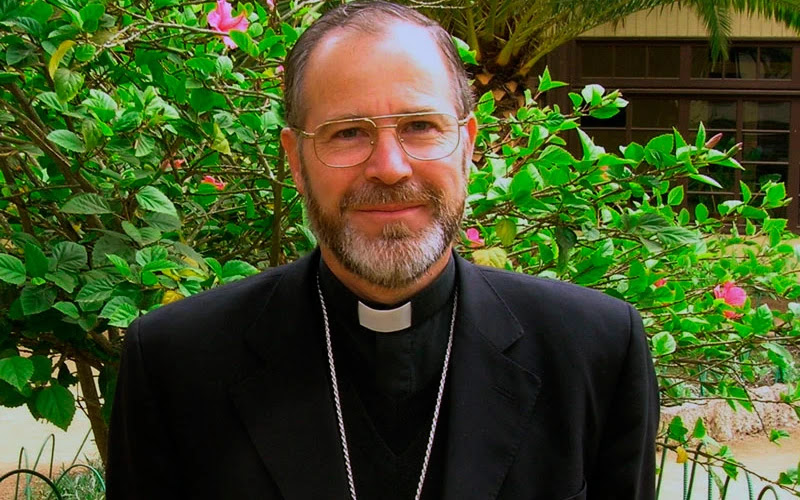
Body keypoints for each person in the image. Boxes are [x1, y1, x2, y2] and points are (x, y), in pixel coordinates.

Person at [106, 2, 659, 499]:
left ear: (466, 146)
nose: (390, 168)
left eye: (420, 126)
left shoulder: (596, 351)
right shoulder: (174, 364)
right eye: (348, 132)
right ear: (297, 160)